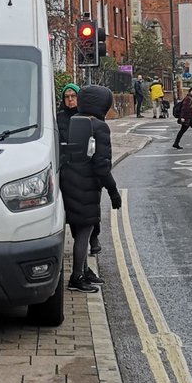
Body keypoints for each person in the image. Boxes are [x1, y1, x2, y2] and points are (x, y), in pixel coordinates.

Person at [59, 85, 121, 293]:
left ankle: (84, 272)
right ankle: (76, 277)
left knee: (80, 231)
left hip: (69, 181)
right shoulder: (100, 127)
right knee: (84, 232)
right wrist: (113, 192)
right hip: (87, 186)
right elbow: (102, 165)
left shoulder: (75, 121)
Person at [57, 83, 102, 256]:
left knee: (91, 206)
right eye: (66, 97)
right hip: (67, 169)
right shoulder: (58, 118)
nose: (70, 100)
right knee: (75, 210)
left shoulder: (87, 117)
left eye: (73, 96)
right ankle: (81, 243)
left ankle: (94, 237)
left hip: (86, 168)